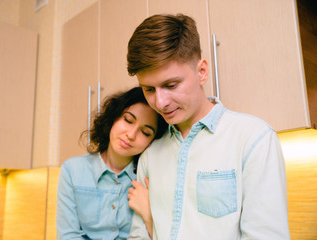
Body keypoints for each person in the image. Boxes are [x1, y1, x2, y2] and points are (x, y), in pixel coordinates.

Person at [126, 14, 290, 239]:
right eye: (149, 90)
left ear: (201, 71)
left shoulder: (254, 139)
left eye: (171, 85)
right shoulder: (150, 156)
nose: (160, 102)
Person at [56, 87, 168, 240]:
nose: (131, 135)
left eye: (145, 132)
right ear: (113, 117)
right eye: (128, 120)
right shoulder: (72, 170)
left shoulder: (148, 180)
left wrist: (149, 215)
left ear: (152, 141)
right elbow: (68, 236)